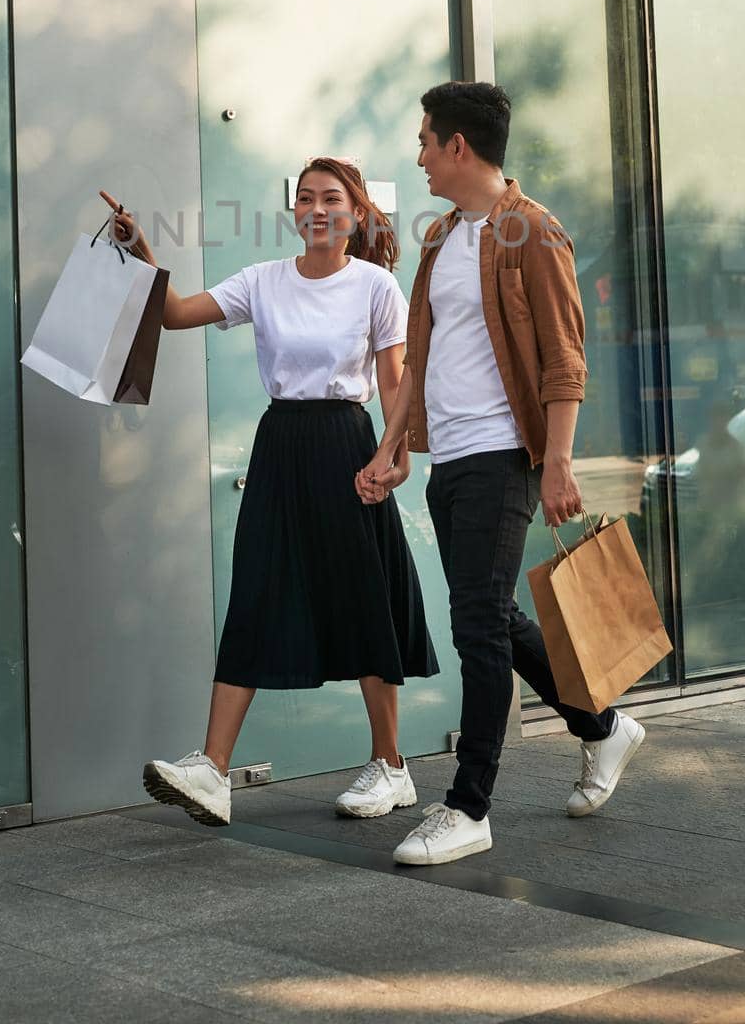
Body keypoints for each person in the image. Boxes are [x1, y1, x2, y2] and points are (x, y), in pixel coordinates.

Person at [99, 160, 437, 827]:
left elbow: (396, 385)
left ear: (357, 213)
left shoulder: (376, 286)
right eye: (304, 198)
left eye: (331, 198)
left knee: (364, 596)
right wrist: (140, 249)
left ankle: (392, 765)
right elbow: (172, 315)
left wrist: (391, 456)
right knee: (256, 588)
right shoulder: (264, 281)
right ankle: (213, 771)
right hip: (280, 443)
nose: (316, 208)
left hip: (348, 444)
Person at [357, 82, 645, 866]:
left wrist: (557, 462)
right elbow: (420, 357)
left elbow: (563, 358)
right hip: (449, 458)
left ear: (458, 146)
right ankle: (604, 725)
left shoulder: (532, 230)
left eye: (425, 141)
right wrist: (394, 445)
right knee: (495, 619)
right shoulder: (442, 236)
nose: (417, 155)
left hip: (501, 456)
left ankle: (469, 805)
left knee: (476, 626)